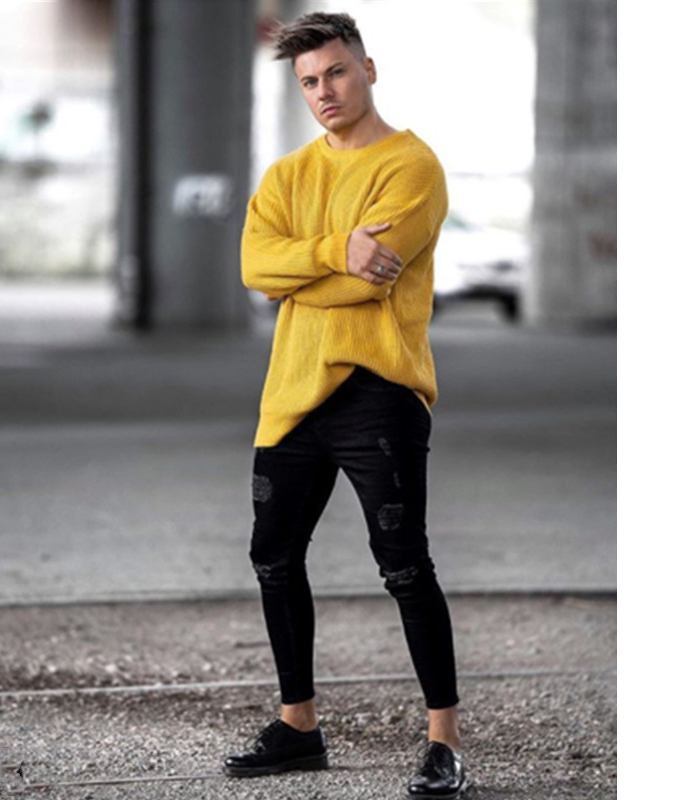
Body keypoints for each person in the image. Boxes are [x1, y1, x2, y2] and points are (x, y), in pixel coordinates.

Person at [224, 11, 467, 799]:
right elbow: (255, 267)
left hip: (379, 392)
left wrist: (302, 275)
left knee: (403, 565)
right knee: (272, 557)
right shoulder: (287, 176)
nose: (323, 91)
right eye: (309, 81)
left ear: (368, 68)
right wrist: (335, 251)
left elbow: (374, 277)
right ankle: (298, 726)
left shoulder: (412, 166)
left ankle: (443, 743)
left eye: (335, 72)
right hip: (293, 396)